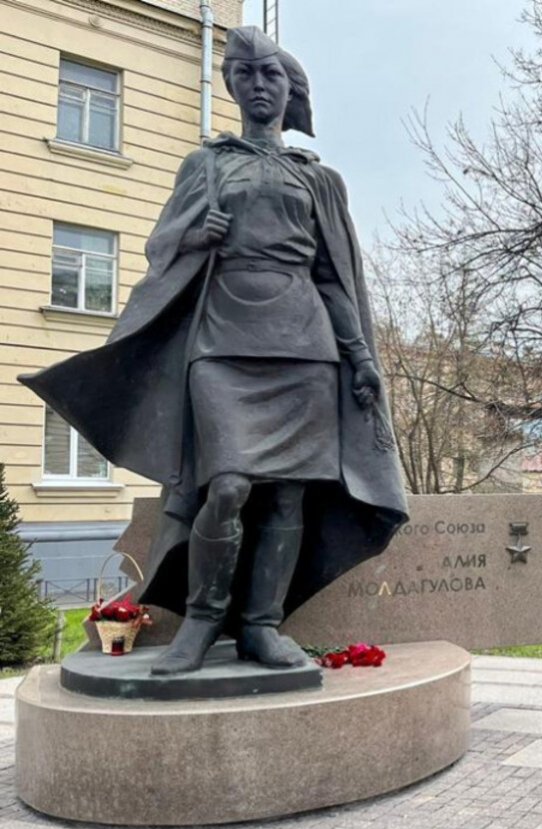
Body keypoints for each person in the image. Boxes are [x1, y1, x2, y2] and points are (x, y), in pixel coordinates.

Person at [20, 26, 408, 675]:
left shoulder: (320, 179)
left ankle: (261, 626)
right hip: (222, 340)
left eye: (272, 76)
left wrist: (361, 356)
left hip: (306, 346)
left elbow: (335, 279)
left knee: (287, 496)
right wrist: (200, 236)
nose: (259, 86)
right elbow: (161, 248)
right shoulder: (206, 164)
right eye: (246, 75)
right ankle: (201, 622)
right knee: (226, 485)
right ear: (230, 85)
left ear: (291, 91)